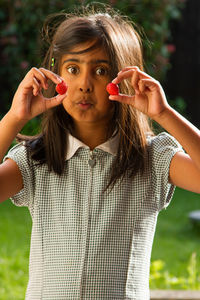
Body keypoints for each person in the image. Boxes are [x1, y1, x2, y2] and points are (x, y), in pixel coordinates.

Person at [0, 4, 200, 300]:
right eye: (73, 69)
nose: (84, 84)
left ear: (125, 79)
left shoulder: (152, 158)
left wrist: (165, 114)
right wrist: (14, 117)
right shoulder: (35, 159)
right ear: (56, 76)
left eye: (100, 70)